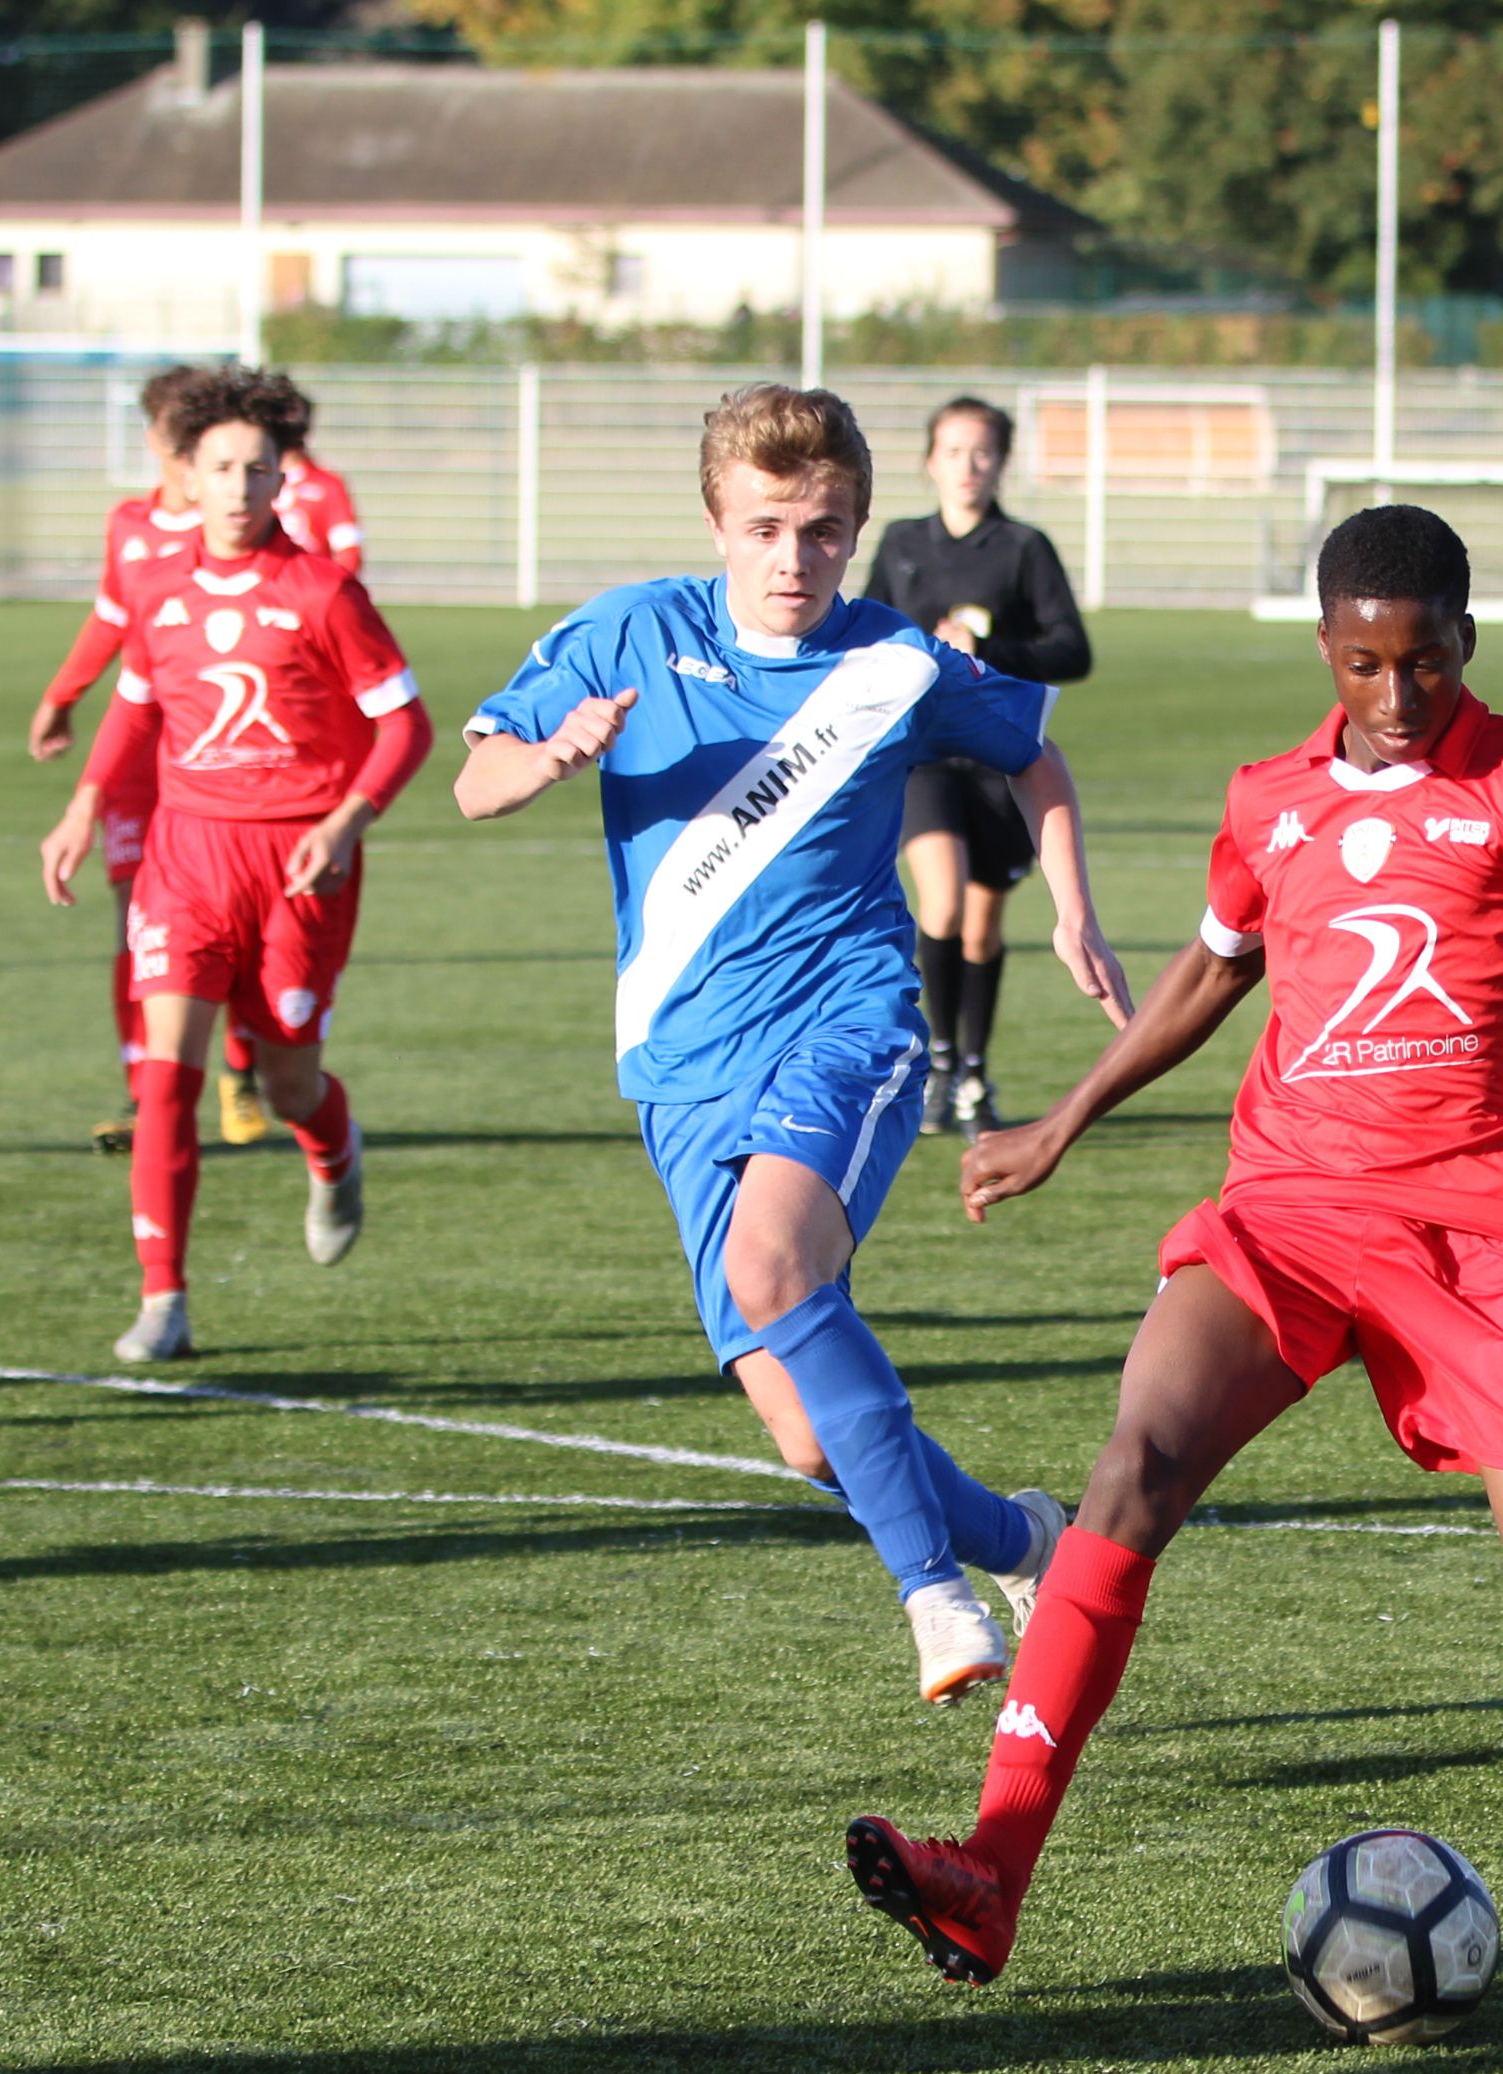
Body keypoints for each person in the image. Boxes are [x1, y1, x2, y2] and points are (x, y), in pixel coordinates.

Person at [846, 504, 1503, 1988]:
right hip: (1289, 1211)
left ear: (1468, 641)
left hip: (1488, 1243)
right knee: (1130, 1474)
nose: (1396, 703)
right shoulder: (1271, 799)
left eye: (1425, 664)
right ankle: (991, 1868)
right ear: (1327, 649)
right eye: (1362, 665)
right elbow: (1212, 975)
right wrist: (1061, 1120)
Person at [453, 383, 1135, 1706]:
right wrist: (550, 756)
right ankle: (1023, 1538)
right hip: (678, 1060)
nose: (793, 560)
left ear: (858, 529)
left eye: (823, 532)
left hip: (850, 1021)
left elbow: (1036, 759)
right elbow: (475, 777)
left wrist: (1072, 910)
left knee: (773, 1262)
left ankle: (934, 1593)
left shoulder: (897, 659)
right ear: (716, 523)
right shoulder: (627, 631)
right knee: (810, 1440)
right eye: (766, 527)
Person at [36, 370, 431, 1365]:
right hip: (186, 851)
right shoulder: (154, 582)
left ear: (281, 478)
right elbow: (134, 703)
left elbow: (407, 728)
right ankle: (162, 1300)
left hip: (300, 863)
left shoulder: (324, 591)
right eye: (222, 468)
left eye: (260, 470)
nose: (241, 488)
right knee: (167, 1076)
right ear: (191, 475)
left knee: (290, 1080)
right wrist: (85, 804)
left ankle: (332, 1148)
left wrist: (346, 822)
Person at [30, 364, 275, 1155]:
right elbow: (112, 622)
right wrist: (64, 694)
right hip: (146, 764)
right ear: (159, 445)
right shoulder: (129, 527)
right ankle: (148, 1092)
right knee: (141, 928)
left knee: (236, 933)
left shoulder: (252, 533)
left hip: (238, 766)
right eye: (176, 445)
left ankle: (242, 1072)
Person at [862, 395, 1095, 1137]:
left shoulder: (1024, 549)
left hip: (1001, 763)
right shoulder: (901, 543)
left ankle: (971, 1071)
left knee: (982, 928)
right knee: (942, 904)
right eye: (954, 451)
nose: (968, 466)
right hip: (927, 757)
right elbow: (864, 637)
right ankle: (933, 1061)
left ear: (1002, 462)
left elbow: (1072, 651)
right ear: (930, 460)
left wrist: (985, 651)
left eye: (983, 452)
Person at [277, 408, 365, 574]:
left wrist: (332, 591)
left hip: (308, 590)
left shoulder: (328, 485)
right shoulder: (253, 482)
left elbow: (349, 552)